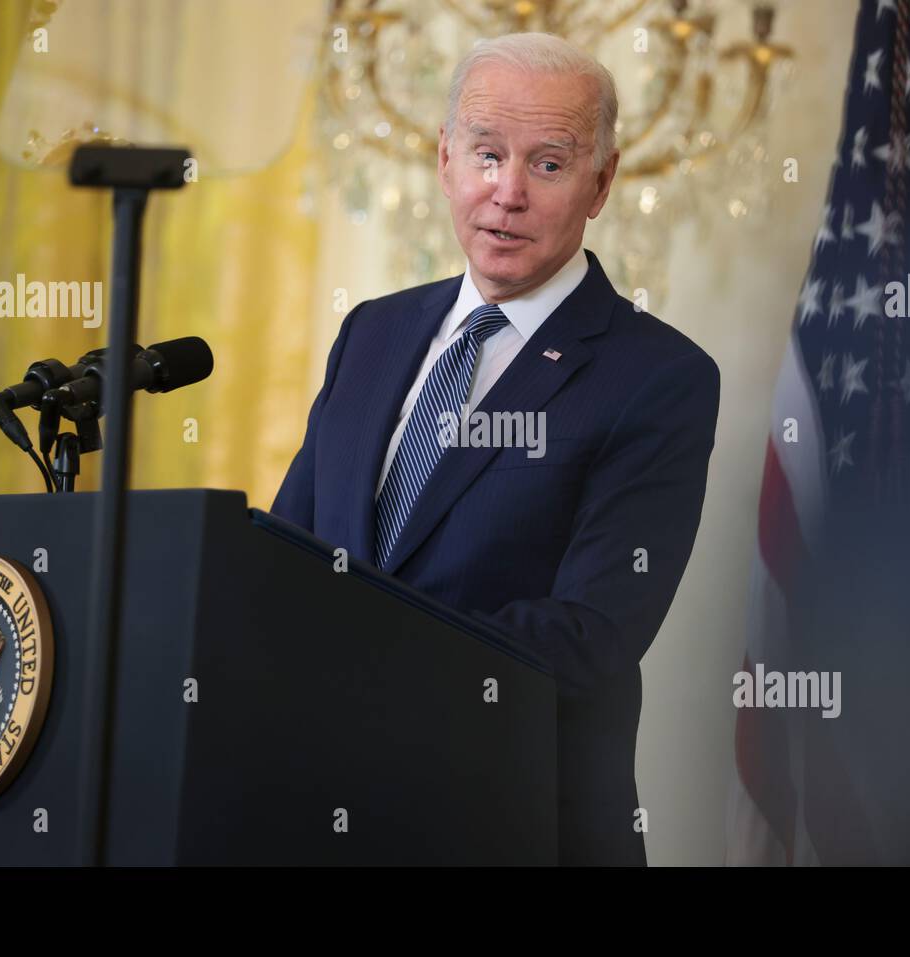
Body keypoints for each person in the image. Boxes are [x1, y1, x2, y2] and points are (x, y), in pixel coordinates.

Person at [272, 31, 720, 865]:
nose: (506, 192)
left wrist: (371, 664)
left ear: (603, 182)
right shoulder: (371, 332)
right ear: (445, 160)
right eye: (486, 154)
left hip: (517, 829)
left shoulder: (658, 377)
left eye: (548, 164)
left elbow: (593, 633)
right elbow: (289, 558)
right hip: (327, 820)